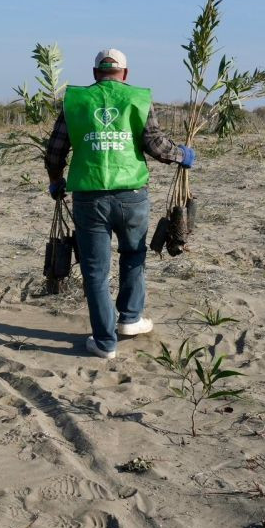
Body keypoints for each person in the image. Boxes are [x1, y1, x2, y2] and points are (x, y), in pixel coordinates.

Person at [44, 49, 194, 360]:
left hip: (89, 197)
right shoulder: (137, 98)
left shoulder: (75, 101)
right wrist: (182, 155)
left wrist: (56, 180)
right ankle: (130, 318)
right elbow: (156, 145)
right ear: (125, 74)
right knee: (134, 255)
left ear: (95, 72)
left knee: (96, 271)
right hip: (132, 196)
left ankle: (104, 342)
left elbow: (55, 150)